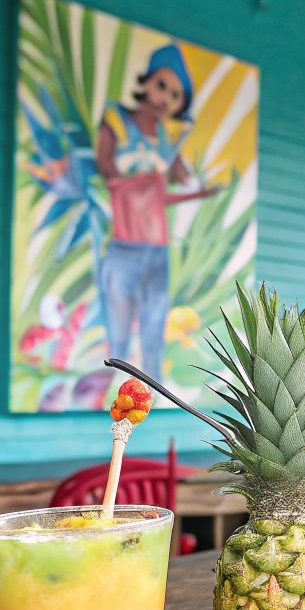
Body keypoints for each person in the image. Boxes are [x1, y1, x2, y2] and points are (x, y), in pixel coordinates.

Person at [96, 42, 214, 380]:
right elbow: (106, 167)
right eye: (162, 85)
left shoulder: (167, 139)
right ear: (146, 81)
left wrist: (188, 179)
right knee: (118, 333)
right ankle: (117, 395)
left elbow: (182, 180)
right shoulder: (118, 121)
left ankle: (150, 395)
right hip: (125, 244)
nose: (165, 98)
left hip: (157, 249)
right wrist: (140, 181)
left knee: (153, 329)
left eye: (175, 95)